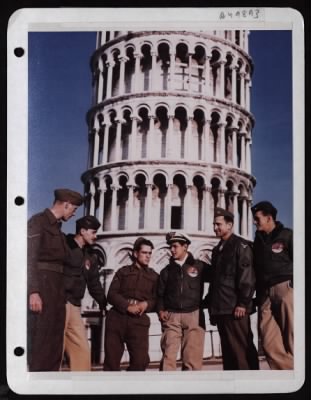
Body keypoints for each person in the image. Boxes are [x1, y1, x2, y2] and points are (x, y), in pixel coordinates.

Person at [27, 188, 83, 371]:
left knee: (54, 344)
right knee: (41, 343)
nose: (74, 214)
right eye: (73, 209)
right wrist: (33, 291)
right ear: (65, 204)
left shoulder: (58, 231)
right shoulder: (38, 222)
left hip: (58, 292)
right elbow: (28, 258)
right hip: (43, 289)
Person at [205, 208, 259, 370]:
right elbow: (216, 282)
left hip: (236, 309)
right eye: (214, 224)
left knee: (241, 351)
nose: (215, 227)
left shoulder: (241, 246)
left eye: (219, 224)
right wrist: (212, 309)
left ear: (230, 225)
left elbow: (247, 277)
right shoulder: (217, 250)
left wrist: (243, 303)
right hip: (222, 309)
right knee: (228, 355)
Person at [103, 237, 159, 371]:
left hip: (138, 321)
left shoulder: (154, 276)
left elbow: (158, 299)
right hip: (117, 318)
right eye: (144, 253)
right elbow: (111, 294)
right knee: (111, 361)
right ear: (135, 254)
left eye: (149, 253)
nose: (147, 256)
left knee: (141, 361)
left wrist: (147, 304)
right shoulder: (123, 272)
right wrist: (127, 306)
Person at [251, 201, 293, 370]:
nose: (255, 222)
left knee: (293, 336)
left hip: (285, 287)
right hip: (264, 294)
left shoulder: (287, 235)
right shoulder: (257, 242)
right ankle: (288, 372)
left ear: (269, 218)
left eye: (257, 218)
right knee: (268, 341)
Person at [157, 232, 208, 371]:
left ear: (185, 246)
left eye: (175, 246)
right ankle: (166, 390)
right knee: (168, 358)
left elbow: (218, 282)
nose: (172, 250)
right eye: (170, 247)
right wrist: (161, 310)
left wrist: (207, 301)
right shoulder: (166, 271)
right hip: (172, 317)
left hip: (194, 316)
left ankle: (190, 391)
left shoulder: (200, 266)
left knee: (192, 360)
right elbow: (160, 294)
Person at [63, 215, 107, 371]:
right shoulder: (64, 246)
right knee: (53, 350)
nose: (96, 236)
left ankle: (81, 388)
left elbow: (94, 284)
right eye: (93, 232)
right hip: (58, 303)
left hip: (75, 306)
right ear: (82, 231)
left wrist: (104, 302)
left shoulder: (90, 256)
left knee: (81, 351)